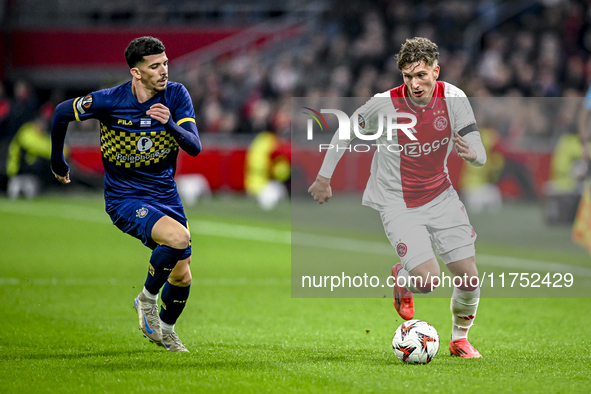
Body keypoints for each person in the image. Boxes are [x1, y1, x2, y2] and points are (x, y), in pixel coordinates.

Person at [308, 37, 487, 358]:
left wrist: (473, 155)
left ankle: (459, 339)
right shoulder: (385, 103)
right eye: (407, 76)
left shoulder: (455, 98)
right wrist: (324, 177)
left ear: (436, 70)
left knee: (469, 278)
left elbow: (480, 152)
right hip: (397, 202)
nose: (414, 83)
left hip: (441, 195)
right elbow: (345, 131)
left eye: (421, 75)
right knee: (429, 280)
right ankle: (403, 277)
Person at [50, 36, 202, 352]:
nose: (164, 71)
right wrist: (57, 160)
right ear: (136, 72)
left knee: (183, 276)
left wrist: (170, 124)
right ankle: (146, 299)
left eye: (166, 63)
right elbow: (62, 113)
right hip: (125, 198)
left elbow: (194, 146)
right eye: (155, 66)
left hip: (165, 195)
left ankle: (166, 330)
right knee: (178, 238)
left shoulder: (175, 95)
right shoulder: (110, 100)